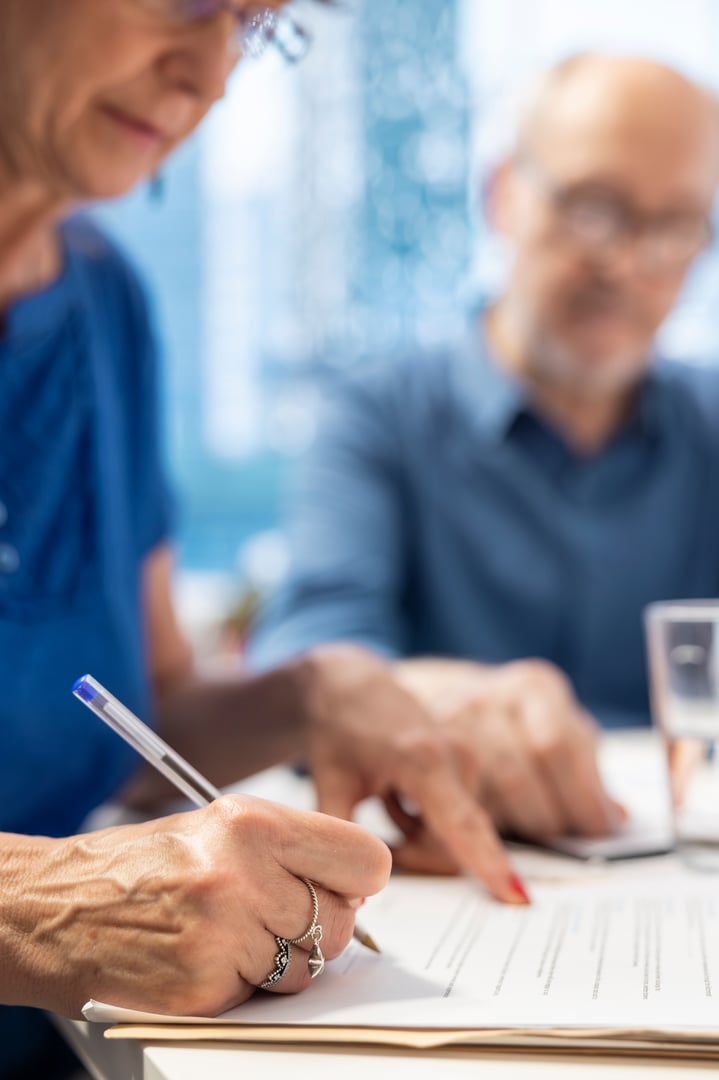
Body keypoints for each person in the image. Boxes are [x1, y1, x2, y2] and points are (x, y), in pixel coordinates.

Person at [0, 3, 549, 1077]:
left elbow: (140, 717)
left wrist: (311, 693)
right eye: (190, 2)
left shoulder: (103, 301)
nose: (209, 75)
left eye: (253, 26)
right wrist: (37, 904)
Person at [251, 54, 719, 841]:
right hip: (447, 858)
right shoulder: (376, 417)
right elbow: (309, 657)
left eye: (673, 227)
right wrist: (419, 699)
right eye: (592, 208)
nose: (626, 263)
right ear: (501, 193)